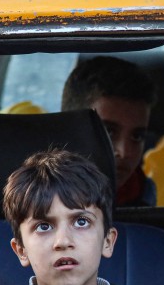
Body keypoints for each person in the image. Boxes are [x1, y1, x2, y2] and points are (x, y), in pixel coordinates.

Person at [0, 149, 158, 285]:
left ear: (107, 241)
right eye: (44, 226)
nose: (63, 241)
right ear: (21, 250)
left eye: (81, 222)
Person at [61, 56, 157, 206]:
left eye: (137, 137)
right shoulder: (27, 195)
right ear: (69, 129)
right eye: (108, 132)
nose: (124, 152)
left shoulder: (143, 192)